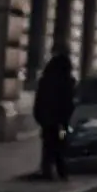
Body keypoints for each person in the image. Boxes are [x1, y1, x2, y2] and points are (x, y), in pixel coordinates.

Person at [33, 47, 76, 180]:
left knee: (48, 145)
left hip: (48, 122)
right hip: (61, 123)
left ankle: (48, 171)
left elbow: (39, 102)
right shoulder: (68, 82)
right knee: (61, 143)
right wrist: (66, 120)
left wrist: (40, 118)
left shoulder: (46, 81)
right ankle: (62, 171)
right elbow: (70, 103)